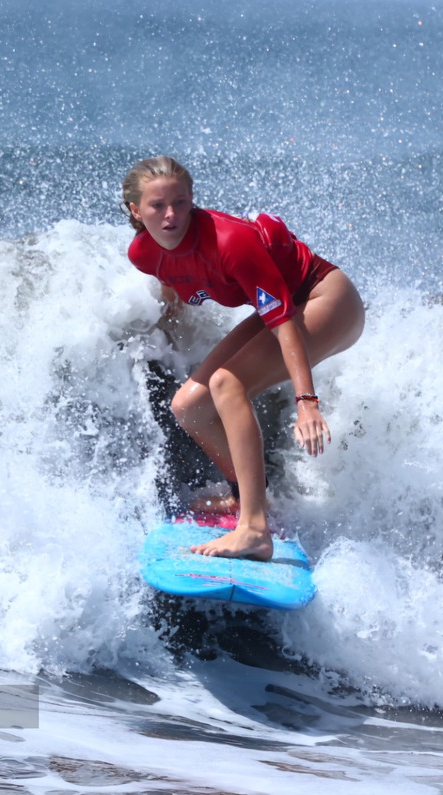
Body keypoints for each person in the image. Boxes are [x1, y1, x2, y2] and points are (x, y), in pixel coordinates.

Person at [122, 156, 364, 561]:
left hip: (326, 298)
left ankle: (254, 530)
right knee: (189, 405)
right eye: (157, 206)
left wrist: (307, 402)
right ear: (136, 210)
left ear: (192, 199)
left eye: (180, 203)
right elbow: (172, 280)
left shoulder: (229, 242)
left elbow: (282, 323)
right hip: (290, 304)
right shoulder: (143, 252)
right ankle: (247, 499)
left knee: (226, 383)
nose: (171, 215)